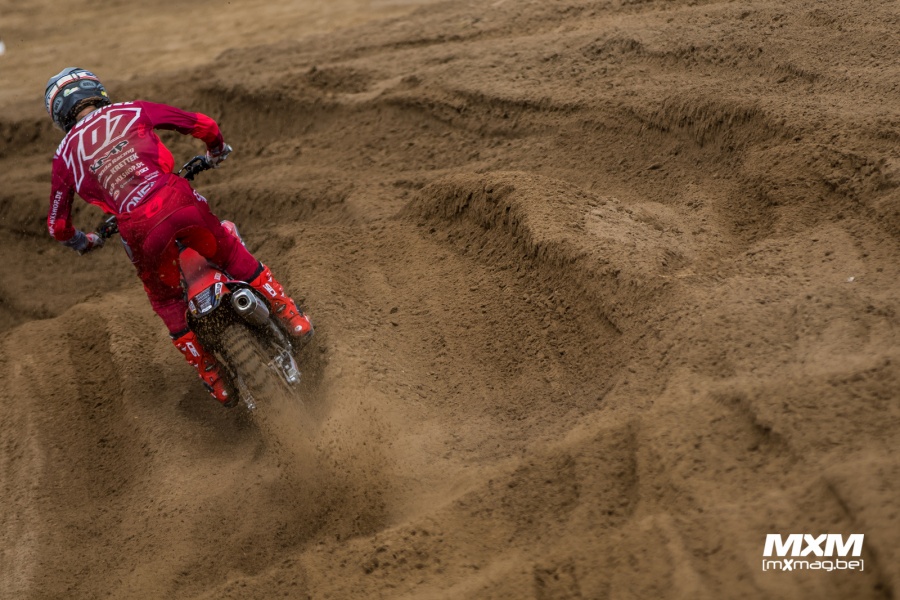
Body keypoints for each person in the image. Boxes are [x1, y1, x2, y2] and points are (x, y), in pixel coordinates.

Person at [44, 68, 313, 406]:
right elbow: (203, 124)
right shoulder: (130, 109)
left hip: (137, 228)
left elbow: (57, 226)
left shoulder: (64, 156)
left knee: (166, 300)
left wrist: (84, 241)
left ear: (59, 115)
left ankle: (212, 374)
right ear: (97, 91)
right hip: (176, 199)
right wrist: (215, 151)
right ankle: (290, 314)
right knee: (230, 253)